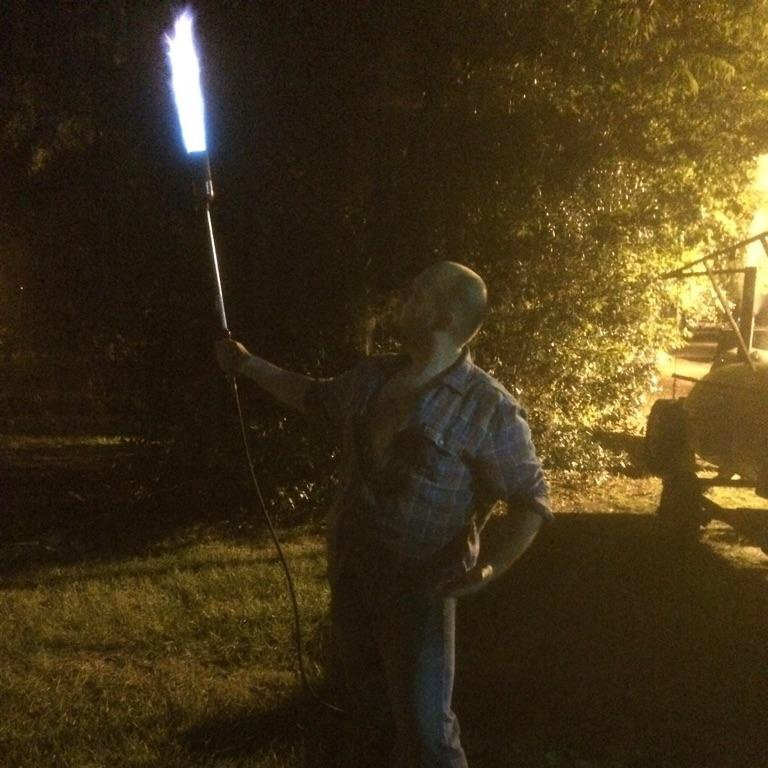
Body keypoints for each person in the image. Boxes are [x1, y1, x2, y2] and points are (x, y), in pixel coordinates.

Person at [216, 261, 552, 768]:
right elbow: (313, 396)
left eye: (415, 295)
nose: (401, 299)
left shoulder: (489, 408)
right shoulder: (373, 377)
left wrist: (488, 568)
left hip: (422, 592)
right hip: (352, 574)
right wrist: (246, 365)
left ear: (444, 318)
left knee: (427, 735)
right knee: (370, 717)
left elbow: (531, 500)